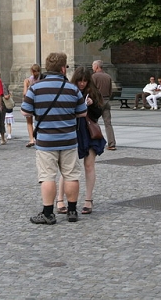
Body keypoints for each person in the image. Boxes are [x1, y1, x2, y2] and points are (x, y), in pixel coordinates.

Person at [22, 52, 87, 225]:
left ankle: (48, 213)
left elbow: (25, 111)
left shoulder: (35, 88)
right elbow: (82, 112)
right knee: (71, 175)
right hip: (68, 139)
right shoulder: (72, 89)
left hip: (46, 141)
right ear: (63, 68)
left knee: (47, 177)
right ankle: (72, 211)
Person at [56, 66, 106, 215]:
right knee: (68, 168)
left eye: (85, 81)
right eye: (80, 80)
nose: (82, 84)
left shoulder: (93, 92)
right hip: (72, 132)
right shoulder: (69, 91)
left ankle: (88, 200)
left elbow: (98, 113)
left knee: (89, 166)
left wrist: (90, 106)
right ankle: (60, 199)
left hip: (88, 132)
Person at [91, 60, 115, 150]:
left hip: (97, 101)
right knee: (108, 124)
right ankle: (112, 143)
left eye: (93, 66)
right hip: (106, 100)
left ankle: (94, 142)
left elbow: (91, 90)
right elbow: (110, 91)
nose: (92, 67)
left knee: (93, 122)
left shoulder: (94, 77)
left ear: (97, 67)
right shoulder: (108, 76)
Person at [22, 64, 42, 147]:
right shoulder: (43, 80)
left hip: (30, 103)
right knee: (39, 121)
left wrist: (26, 85)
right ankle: (38, 138)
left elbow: (25, 94)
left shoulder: (28, 80)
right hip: (39, 103)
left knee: (29, 122)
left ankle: (31, 139)